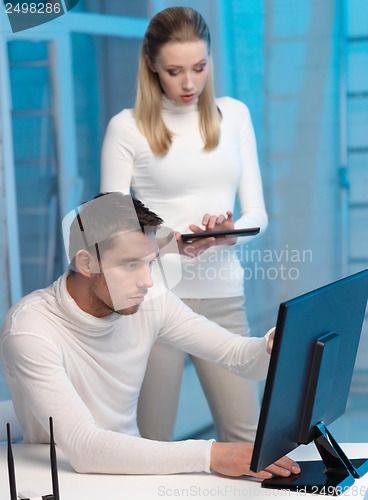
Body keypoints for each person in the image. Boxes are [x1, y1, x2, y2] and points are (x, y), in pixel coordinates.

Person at [0, 192, 300, 478]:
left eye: (150, 263)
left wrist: (271, 346)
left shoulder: (150, 301)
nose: (146, 281)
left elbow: (239, 358)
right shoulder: (30, 328)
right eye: (131, 264)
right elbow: (84, 447)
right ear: (86, 263)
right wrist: (211, 455)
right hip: (61, 478)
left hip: (135, 473)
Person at [101, 6, 268, 443]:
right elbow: (109, 224)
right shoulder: (127, 128)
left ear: (210, 59)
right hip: (154, 299)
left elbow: (258, 214)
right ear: (152, 65)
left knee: (249, 441)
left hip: (224, 298)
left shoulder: (234, 115)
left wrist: (230, 231)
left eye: (199, 67)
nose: (189, 83)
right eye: (175, 71)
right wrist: (169, 242)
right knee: (150, 441)